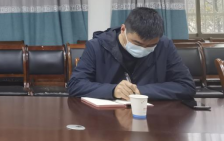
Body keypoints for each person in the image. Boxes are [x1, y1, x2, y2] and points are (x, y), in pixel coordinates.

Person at [67, 8, 195, 101]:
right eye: (137, 43)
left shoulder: (164, 45)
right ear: (123, 29)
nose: (143, 49)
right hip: (106, 117)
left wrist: (139, 91)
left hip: (152, 115)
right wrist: (113, 90)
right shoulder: (97, 46)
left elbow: (186, 86)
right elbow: (75, 85)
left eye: (150, 45)